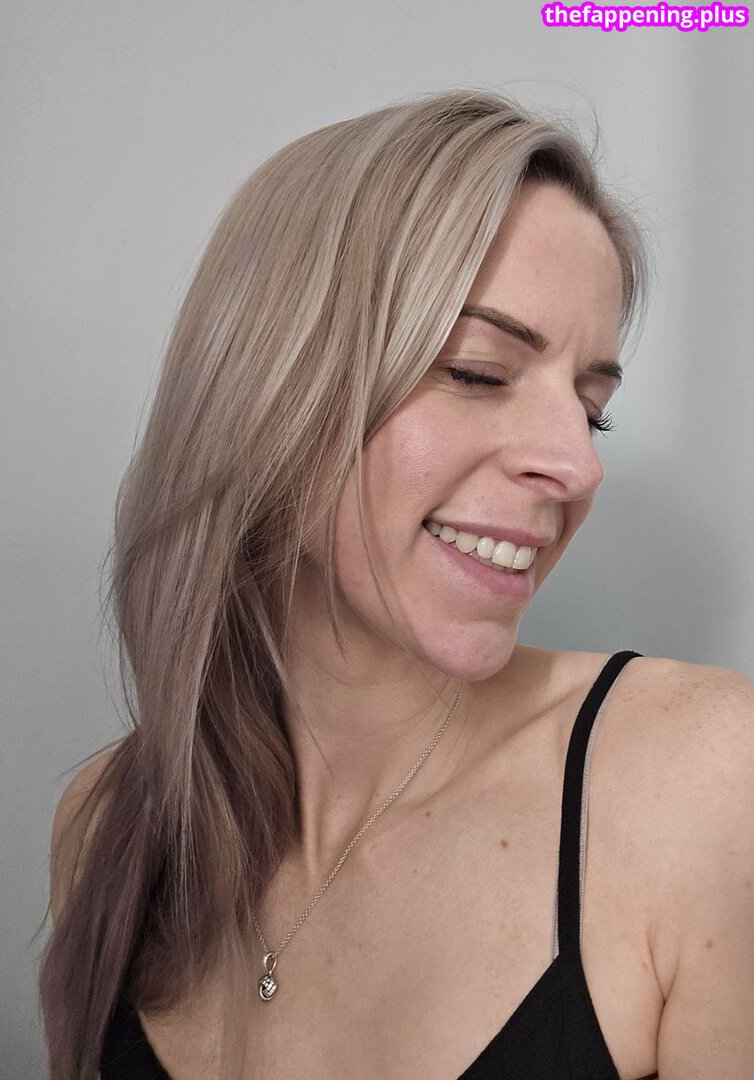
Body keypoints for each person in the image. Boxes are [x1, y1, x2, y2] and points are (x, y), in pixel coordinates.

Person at [39, 89, 754, 1080]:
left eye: (592, 409)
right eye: (477, 371)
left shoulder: (705, 780)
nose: (578, 465)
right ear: (270, 390)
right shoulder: (109, 826)